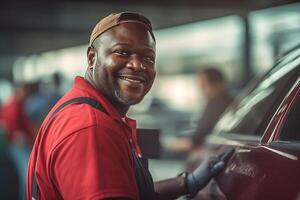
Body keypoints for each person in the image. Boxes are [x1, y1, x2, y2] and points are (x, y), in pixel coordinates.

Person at [26, 12, 233, 200]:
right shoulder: (91, 128)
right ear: (92, 58)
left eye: (147, 57)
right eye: (123, 52)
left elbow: (124, 190)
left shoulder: (83, 110)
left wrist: (186, 183)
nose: (137, 65)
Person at [166, 68, 233, 155]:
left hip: (213, 152)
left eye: (202, 84)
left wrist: (171, 145)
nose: (200, 88)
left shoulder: (218, 103)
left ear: (214, 84)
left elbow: (200, 135)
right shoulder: (227, 99)